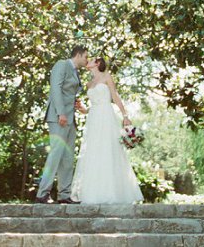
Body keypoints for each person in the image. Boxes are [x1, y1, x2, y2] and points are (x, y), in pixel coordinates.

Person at [70, 56, 143, 204]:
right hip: (94, 119)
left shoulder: (107, 76)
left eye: (90, 60)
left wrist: (125, 115)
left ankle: (113, 193)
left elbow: (115, 96)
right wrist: (83, 110)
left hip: (107, 116)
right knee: (94, 151)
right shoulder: (89, 84)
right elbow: (92, 106)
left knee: (109, 149)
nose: (87, 62)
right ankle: (94, 193)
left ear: (97, 63)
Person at [35, 46, 88, 204]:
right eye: (85, 57)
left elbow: (68, 92)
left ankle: (64, 195)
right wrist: (61, 113)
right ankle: (42, 193)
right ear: (77, 55)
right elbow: (55, 88)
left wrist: (75, 103)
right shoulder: (62, 64)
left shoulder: (76, 72)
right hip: (59, 117)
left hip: (71, 119)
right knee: (56, 154)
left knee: (68, 157)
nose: (87, 60)